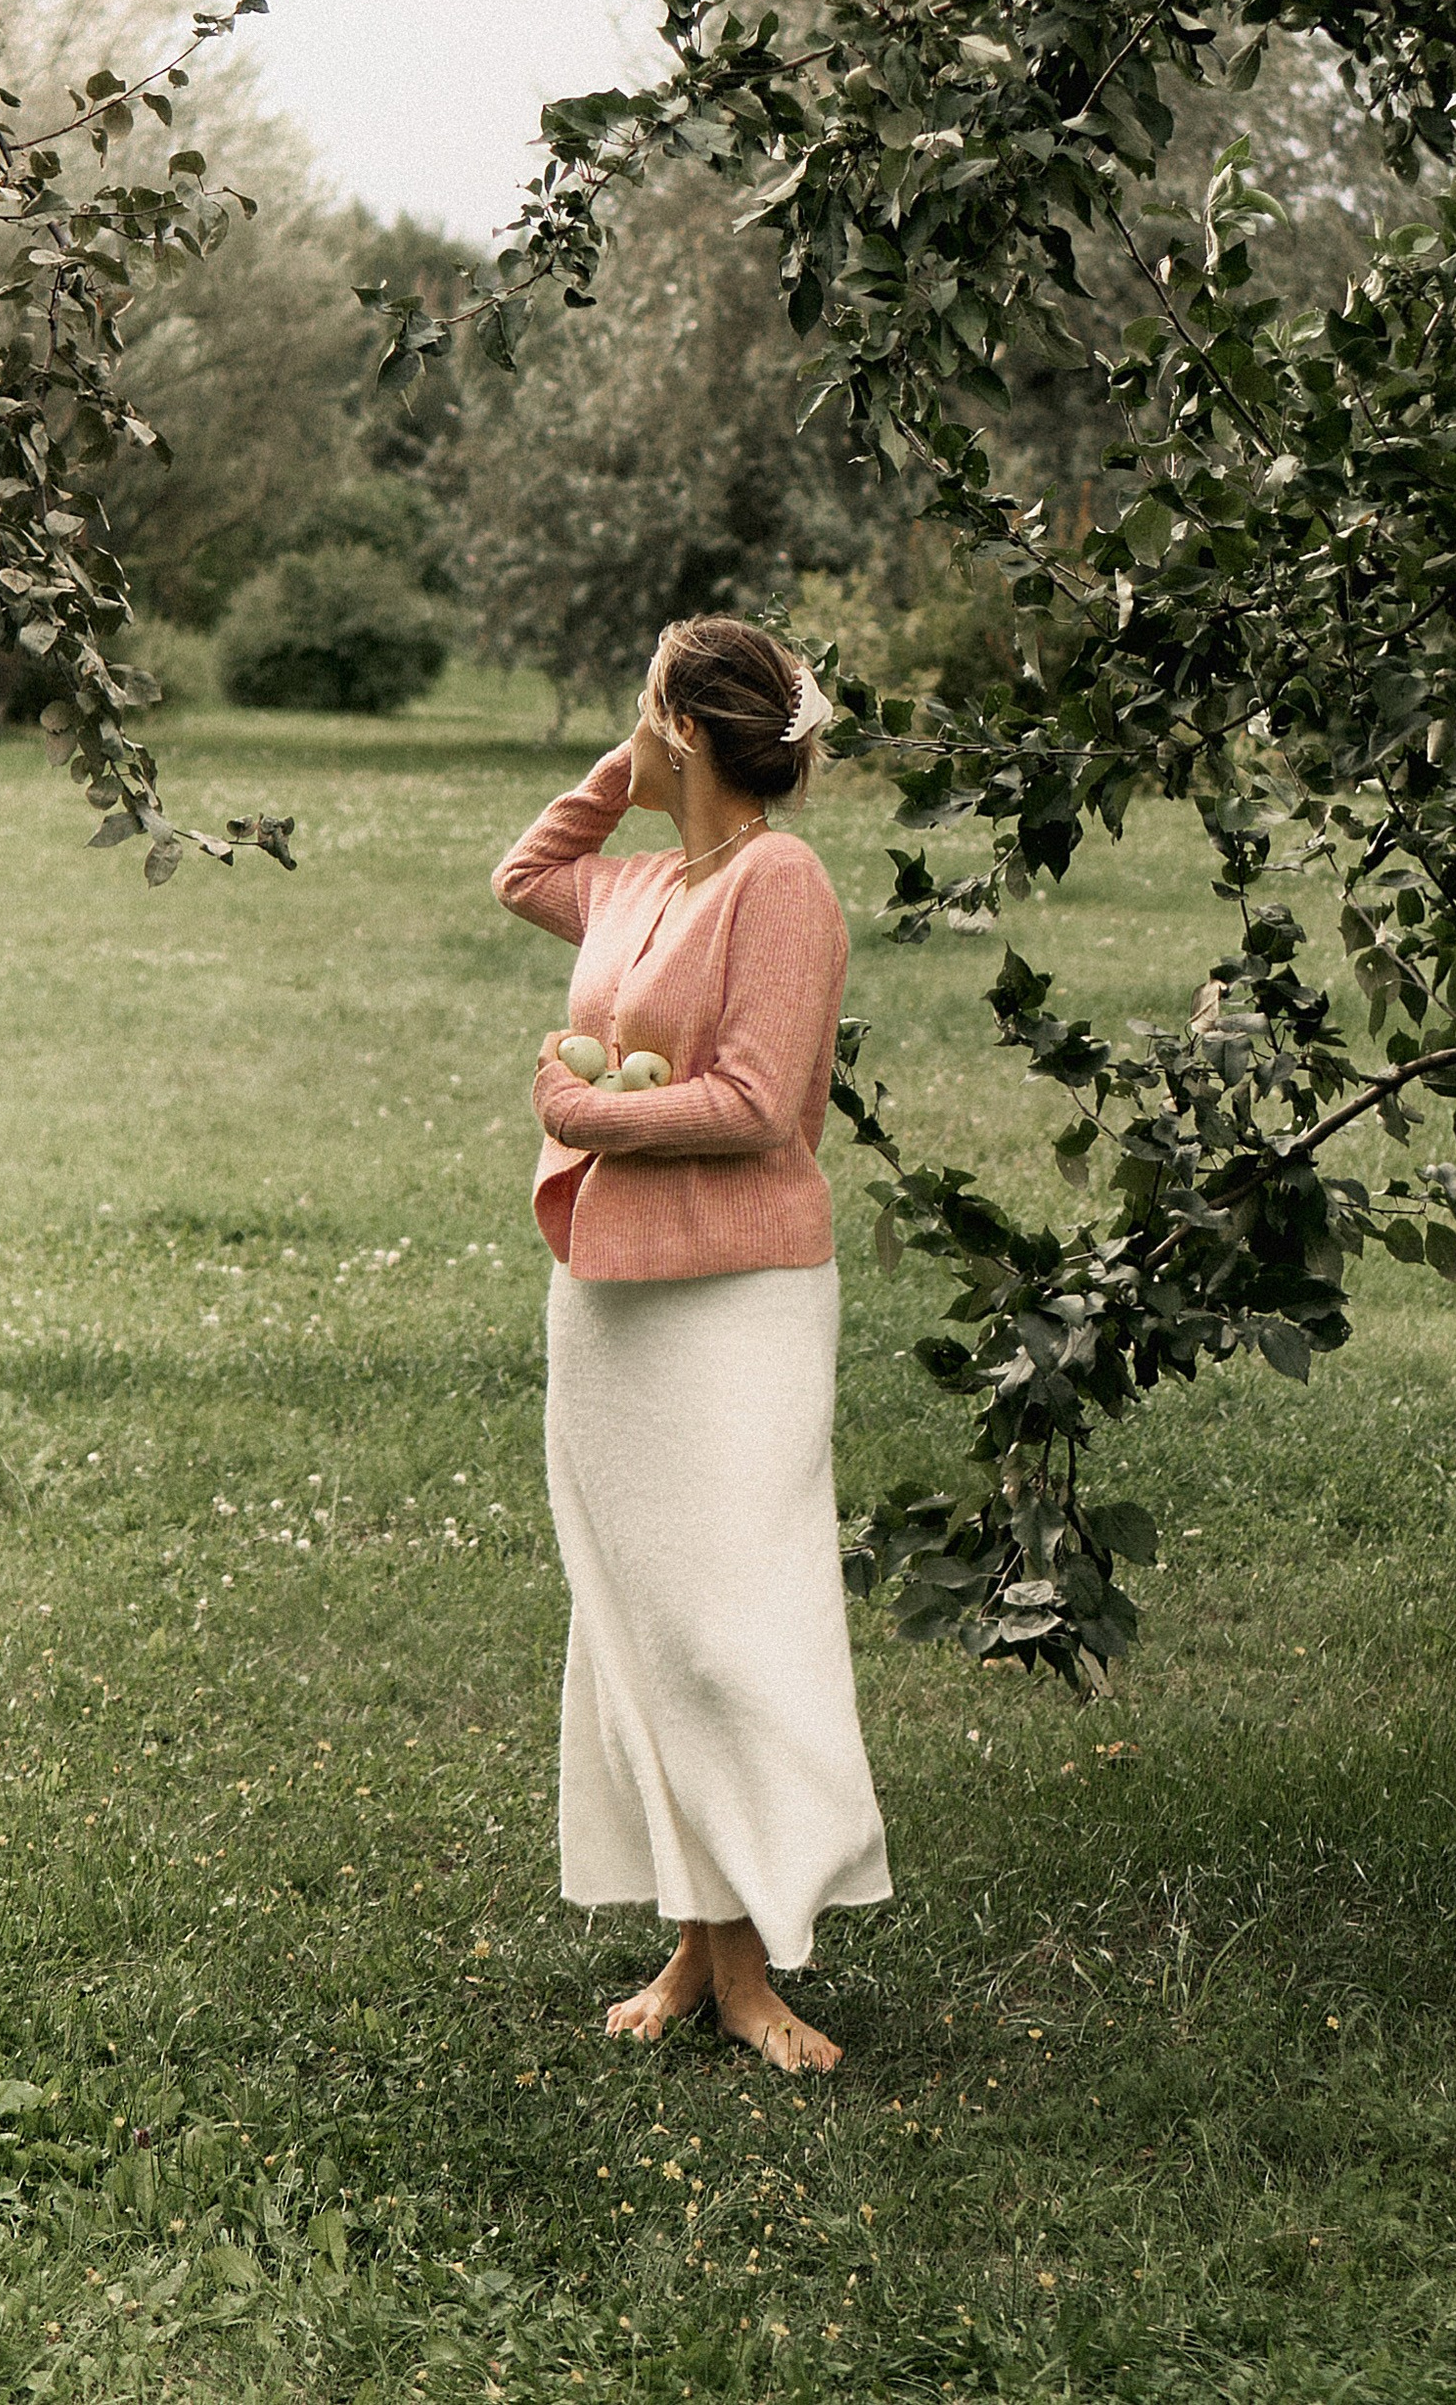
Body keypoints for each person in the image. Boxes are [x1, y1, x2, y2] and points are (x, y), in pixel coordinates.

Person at [491, 615, 889, 2074]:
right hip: (611, 1302)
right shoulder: (652, 878)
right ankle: (697, 1952)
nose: (633, 727)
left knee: (730, 1632)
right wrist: (624, 764)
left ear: (698, 735)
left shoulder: (779, 883)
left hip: (736, 1307)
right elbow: (525, 875)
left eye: (648, 708)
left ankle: (759, 1965)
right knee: (646, 1628)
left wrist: (585, 1116)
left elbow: (757, 1105)